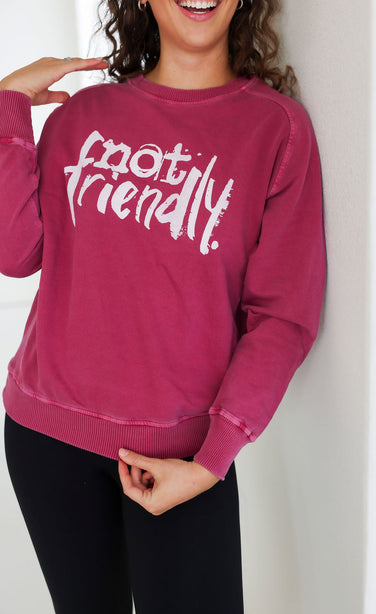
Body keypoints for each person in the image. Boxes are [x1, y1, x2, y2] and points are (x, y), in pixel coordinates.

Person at [0, 0, 326, 612]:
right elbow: (16, 252)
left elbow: (283, 316)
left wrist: (211, 460)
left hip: (184, 456)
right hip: (49, 438)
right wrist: (7, 104)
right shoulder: (82, 116)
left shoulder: (276, 130)